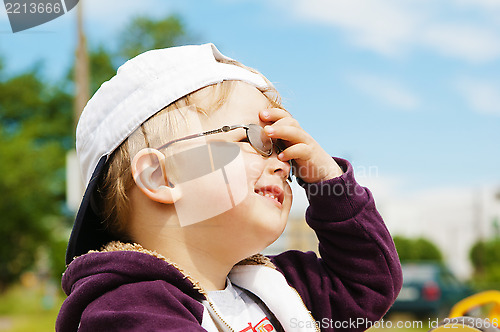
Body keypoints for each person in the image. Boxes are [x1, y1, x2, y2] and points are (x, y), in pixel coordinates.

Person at [56, 43, 402, 332]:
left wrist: (326, 178)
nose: (284, 163)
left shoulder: (274, 286)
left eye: (281, 147)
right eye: (254, 138)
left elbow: (367, 283)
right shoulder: (126, 308)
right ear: (159, 177)